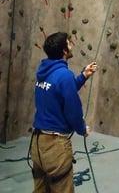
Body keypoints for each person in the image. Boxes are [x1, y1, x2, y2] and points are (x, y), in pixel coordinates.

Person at [30, 32, 98, 193]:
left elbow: (58, 92)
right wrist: (82, 129)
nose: (72, 44)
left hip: (38, 143)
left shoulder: (44, 72)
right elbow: (73, 111)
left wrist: (83, 76)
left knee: (41, 189)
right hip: (55, 147)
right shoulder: (64, 75)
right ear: (64, 51)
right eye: (69, 42)